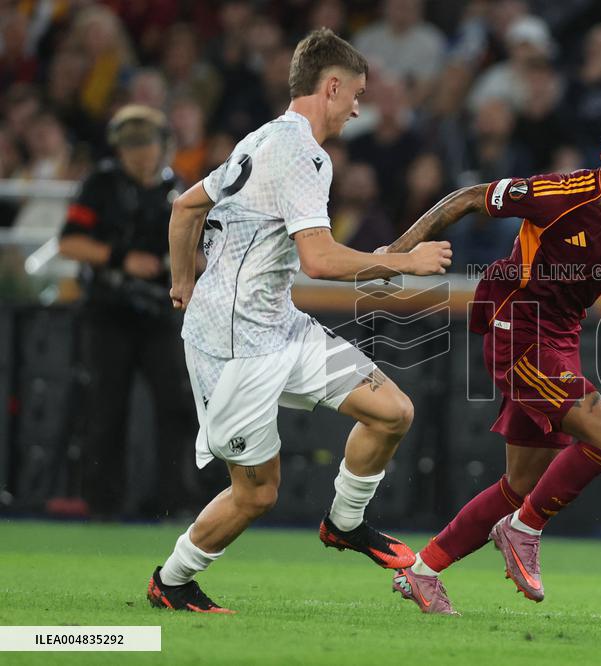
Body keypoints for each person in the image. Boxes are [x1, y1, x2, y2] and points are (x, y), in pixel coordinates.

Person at [145, 28, 452, 614]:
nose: (359, 107)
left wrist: (184, 280)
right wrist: (400, 263)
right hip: (235, 347)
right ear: (330, 86)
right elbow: (319, 259)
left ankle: (344, 523)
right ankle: (174, 580)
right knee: (256, 493)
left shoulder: (263, 138)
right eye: (356, 93)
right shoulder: (304, 153)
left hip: (279, 323)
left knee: (392, 412)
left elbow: (187, 206)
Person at [384, 112, 601, 614]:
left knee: (523, 483)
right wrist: (396, 254)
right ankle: (523, 531)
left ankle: (422, 571)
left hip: (562, 331)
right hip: (518, 320)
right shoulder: (559, 193)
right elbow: (468, 197)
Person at [58, 105, 197, 519]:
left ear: (163, 146)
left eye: (147, 144)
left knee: (176, 406)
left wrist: (185, 262)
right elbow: (70, 242)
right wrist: (122, 258)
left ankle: (176, 501)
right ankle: (103, 503)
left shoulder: (179, 189)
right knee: (105, 408)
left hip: (161, 312)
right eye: (130, 146)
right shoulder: (100, 184)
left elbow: (203, 250)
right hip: (109, 311)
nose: (139, 154)